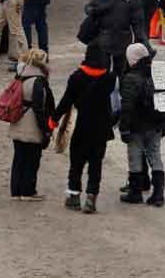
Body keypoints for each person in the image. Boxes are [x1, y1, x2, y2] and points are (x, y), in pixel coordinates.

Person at [49, 44, 114, 214]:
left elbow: (66, 101)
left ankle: (74, 197)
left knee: (76, 164)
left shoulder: (77, 77)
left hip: (81, 128)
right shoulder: (109, 78)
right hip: (100, 130)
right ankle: (91, 199)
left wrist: (54, 119)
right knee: (95, 165)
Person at [118, 43, 165, 207]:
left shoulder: (130, 78)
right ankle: (158, 193)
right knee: (155, 156)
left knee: (135, 157)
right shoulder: (158, 72)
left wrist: (124, 128)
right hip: (156, 124)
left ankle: (135, 192)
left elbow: (126, 106)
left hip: (136, 126)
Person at [5, 47, 53, 201]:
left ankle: (16, 191)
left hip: (18, 121)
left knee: (18, 158)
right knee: (32, 159)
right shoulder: (38, 81)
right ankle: (28, 191)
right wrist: (46, 128)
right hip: (32, 124)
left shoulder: (20, 76)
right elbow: (40, 108)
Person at [85, 0, 147, 75]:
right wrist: (98, 9)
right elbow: (88, 8)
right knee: (103, 72)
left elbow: (138, 22)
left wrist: (141, 40)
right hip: (104, 39)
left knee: (122, 72)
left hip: (123, 41)